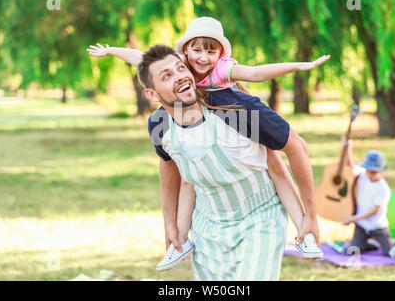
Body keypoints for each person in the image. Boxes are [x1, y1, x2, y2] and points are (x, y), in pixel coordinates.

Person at [87, 17, 328, 269]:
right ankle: (180, 240)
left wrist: (301, 66)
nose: (202, 58)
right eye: (197, 51)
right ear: (186, 51)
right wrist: (111, 51)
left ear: (220, 53)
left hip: (229, 111)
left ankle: (304, 230)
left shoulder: (230, 89)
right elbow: (143, 60)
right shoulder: (177, 73)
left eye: (211, 51)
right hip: (209, 219)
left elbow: (257, 73)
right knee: (191, 169)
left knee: (273, 162)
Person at [136, 44, 319, 280]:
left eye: (181, 68)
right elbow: (170, 166)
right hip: (207, 227)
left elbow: (297, 148)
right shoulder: (159, 125)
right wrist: (170, 224)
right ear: (152, 94)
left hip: (259, 218)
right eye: (167, 75)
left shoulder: (237, 109)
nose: (180, 76)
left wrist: (310, 216)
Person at [341, 141, 393, 256]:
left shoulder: (383, 189)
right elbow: (349, 165)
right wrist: (348, 148)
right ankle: (366, 244)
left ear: (381, 172)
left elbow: (375, 211)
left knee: (390, 252)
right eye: (369, 171)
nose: (371, 174)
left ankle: (393, 243)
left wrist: (354, 218)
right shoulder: (363, 175)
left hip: (377, 226)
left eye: (374, 172)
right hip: (362, 225)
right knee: (350, 251)